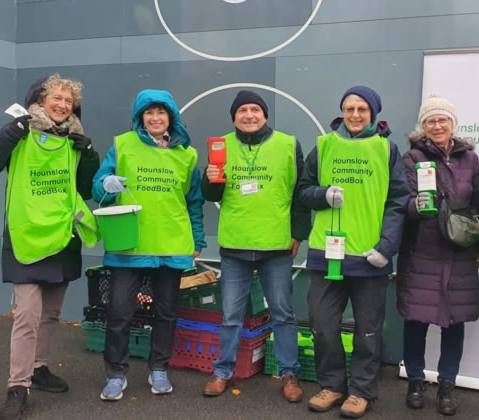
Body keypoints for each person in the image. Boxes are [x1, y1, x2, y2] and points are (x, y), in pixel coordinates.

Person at [0, 74, 100, 420]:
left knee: (51, 314)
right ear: (40, 101)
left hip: (61, 237)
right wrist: (10, 132)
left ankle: (40, 369)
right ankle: (17, 386)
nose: (62, 105)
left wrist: (88, 154)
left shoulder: (74, 141)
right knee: (27, 315)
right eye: (55, 99)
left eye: (68, 101)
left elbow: (87, 189)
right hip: (25, 236)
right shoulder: (20, 133)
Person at [299, 86, 410, 418]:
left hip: (369, 256)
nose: (356, 115)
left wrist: (386, 247)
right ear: (342, 111)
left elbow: (397, 201)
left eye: (362, 109)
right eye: (350, 108)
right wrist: (323, 194)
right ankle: (332, 386)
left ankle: (361, 391)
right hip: (325, 253)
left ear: (373, 114)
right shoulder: (323, 146)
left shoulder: (386, 150)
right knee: (322, 324)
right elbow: (303, 192)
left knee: (368, 329)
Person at [92, 89, 205, 401]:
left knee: (167, 314)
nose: (155, 118)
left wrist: (198, 239)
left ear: (171, 117)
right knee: (119, 314)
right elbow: (97, 185)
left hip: (171, 244)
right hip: (128, 247)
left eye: (161, 112)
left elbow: (193, 201)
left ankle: (159, 368)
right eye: (149, 112)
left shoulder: (187, 154)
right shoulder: (122, 145)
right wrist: (106, 183)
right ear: (140, 117)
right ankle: (116, 374)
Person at [201, 90, 310, 402]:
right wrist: (210, 178)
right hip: (235, 245)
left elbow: (300, 194)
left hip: (275, 245)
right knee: (231, 316)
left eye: (255, 110)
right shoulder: (220, 145)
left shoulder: (288, 144)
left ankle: (290, 374)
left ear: (265, 114)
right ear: (234, 116)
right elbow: (211, 195)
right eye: (242, 111)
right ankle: (223, 372)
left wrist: (298, 234)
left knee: (283, 314)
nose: (248, 115)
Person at [397, 96, 479, 416]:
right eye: (431, 120)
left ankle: (447, 386)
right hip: (422, 250)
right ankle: (416, 382)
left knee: (454, 322)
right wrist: (416, 207)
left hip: (459, 251)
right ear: (422, 126)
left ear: (453, 124)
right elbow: (402, 204)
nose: (437, 125)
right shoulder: (412, 157)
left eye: (443, 120)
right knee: (416, 321)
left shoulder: (470, 159)